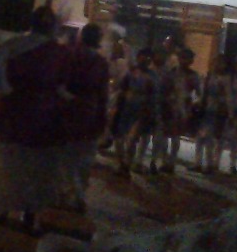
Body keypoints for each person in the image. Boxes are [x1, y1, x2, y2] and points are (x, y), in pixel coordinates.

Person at [0, 6, 67, 227]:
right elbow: (63, 85)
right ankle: (31, 213)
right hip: (44, 113)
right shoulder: (58, 51)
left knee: (9, 162)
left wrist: (7, 90)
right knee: (37, 165)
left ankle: (3, 209)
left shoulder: (13, 44)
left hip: (13, 110)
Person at [56, 22, 110, 211]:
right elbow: (103, 94)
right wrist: (102, 118)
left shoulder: (69, 55)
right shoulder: (101, 63)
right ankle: (78, 195)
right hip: (91, 112)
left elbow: (58, 84)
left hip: (69, 112)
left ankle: (69, 194)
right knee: (85, 158)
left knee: (66, 157)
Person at [112, 47, 156, 176]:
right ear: (138, 57)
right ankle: (121, 163)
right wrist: (117, 107)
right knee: (119, 138)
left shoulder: (152, 76)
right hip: (126, 109)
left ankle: (127, 165)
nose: (146, 60)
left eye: (148, 58)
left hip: (140, 112)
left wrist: (149, 111)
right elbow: (122, 89)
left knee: (132, 140)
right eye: (143, 56)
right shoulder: (130, 72)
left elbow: (153, 95)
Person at [162, 46, 202, 174]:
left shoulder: (193, 76)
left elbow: (199, 94)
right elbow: (164, 88)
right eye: (183, 58)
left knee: (175, 135)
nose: (185, 61)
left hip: (182, 108)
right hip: (169, 105)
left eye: (188, 59)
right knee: (164, 135)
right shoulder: (171, 72)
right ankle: (164, 161)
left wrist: (192, 104)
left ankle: (171, 162)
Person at [193, 54, 230, 174]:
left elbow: (227, 97)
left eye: (220, 63)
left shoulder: (225, 79)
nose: (217, 65)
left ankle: (210, 164)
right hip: (206, 109)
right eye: (216, 62)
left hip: (216, 110)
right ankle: (198, 163)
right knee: (200, 137)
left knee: (210, 138)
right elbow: (203, 93)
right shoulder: (209, 76)